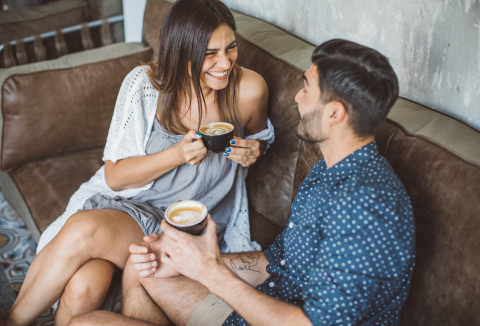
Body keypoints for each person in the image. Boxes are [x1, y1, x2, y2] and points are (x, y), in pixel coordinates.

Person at [69, 39, 416, 326]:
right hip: (260, 305)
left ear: (334, 113)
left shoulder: (367, 205)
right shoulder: (329, 170)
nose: (296, 97)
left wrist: (208, 272)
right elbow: (278, 261)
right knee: (148, 264)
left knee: (84, 324)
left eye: (307, 89)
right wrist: (196, 259)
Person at [5, 0, 274, 325]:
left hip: (191, 226)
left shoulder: (249, 89)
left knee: (83, 285)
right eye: (209, 53)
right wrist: (175, 155)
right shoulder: (145, 86)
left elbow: (260, 141)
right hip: (135, 210)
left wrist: (254, 151)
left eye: (230, 48)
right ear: (181, 51)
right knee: (82, 255)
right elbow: (115, 176)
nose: (224, 63)